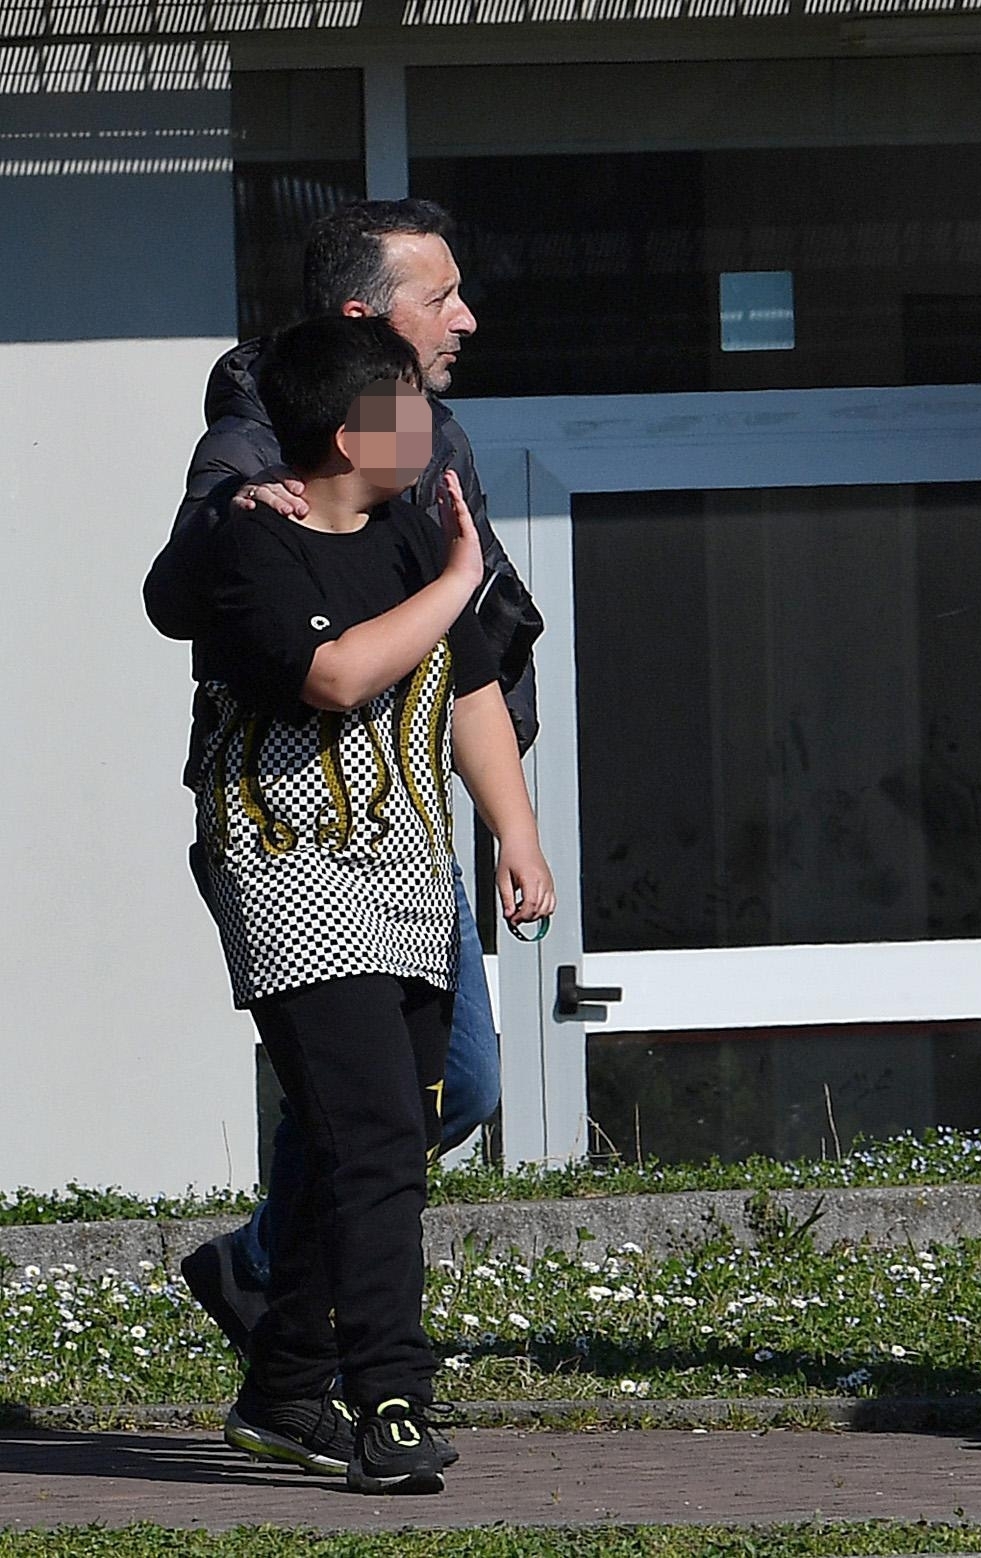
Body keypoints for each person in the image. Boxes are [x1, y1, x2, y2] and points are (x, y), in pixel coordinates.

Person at [145, 199, 542, 1359]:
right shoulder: (263, 418)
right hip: (304, 838)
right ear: (364, 314)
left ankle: (269, 1277)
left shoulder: (430, 433)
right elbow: (182, 588)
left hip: (415, 817)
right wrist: (233, 509)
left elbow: (468, 648)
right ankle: (332, 1342)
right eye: (442, 295)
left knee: (447, 1093)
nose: (466, 317)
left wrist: (512, 821)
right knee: (379, 1113)